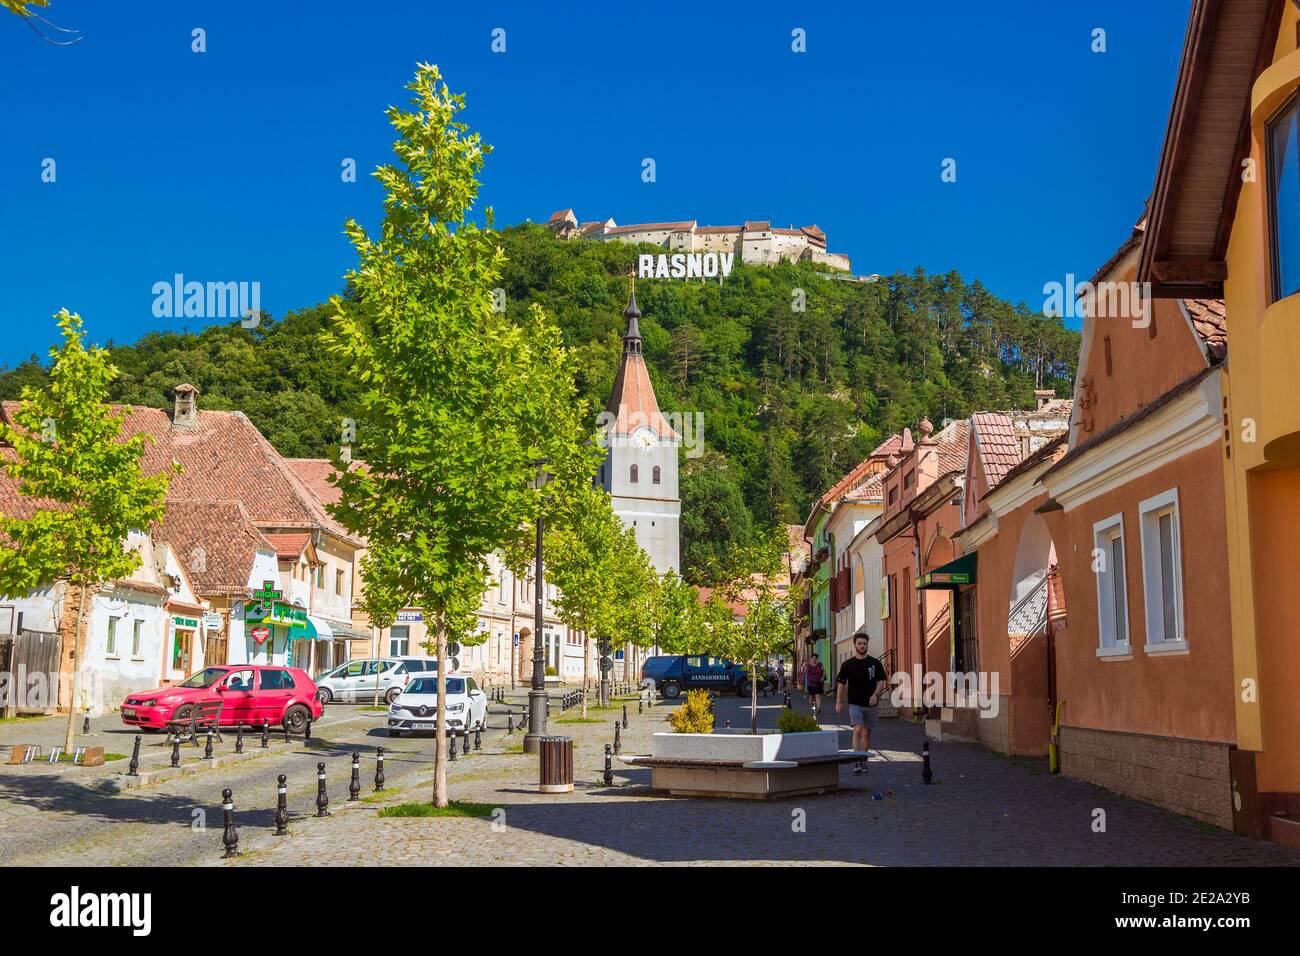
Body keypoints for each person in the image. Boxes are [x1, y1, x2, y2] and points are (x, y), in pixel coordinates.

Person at [835, 632, 887, 775]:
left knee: (867, 733)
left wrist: (876, 694)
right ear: (855, 645)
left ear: (867, 645)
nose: (862, 646)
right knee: (857, 730)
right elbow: (841, 683)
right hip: (854, 703)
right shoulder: (847, 665)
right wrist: (839, 701)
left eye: (864, 643)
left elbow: (882, 680)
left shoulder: (875, 663)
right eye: (859, 643)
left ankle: (863, 759)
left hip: (870, 704)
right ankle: (856, 759)